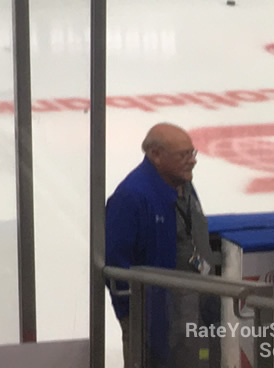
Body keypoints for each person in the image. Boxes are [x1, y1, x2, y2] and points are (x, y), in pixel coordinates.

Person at [104, 123, 218, 368]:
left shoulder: (183, 183)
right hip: (152, 316)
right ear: (156, 155)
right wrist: (133, 315)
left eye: (193, 153)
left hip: (192, 304)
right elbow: (115, 260)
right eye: (183, 155)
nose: (192, 161)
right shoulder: (131, 197)